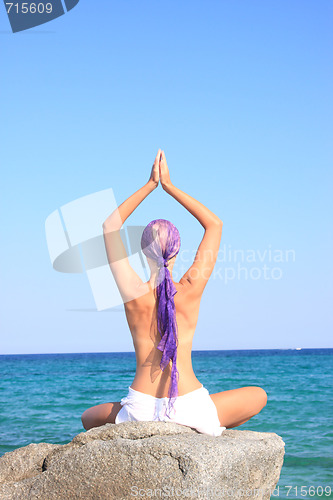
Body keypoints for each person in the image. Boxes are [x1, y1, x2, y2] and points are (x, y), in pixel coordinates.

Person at [81, 149, 267, 436]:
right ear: (177, 251)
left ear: (144, 252)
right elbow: (214, 224)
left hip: (139, 409)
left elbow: (110, 226)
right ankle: (205, 428)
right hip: (190, 405)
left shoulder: (133, 292)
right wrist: (169, 186)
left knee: (88, 417)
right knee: (259, 395)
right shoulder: (191, 288)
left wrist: (150, 185)